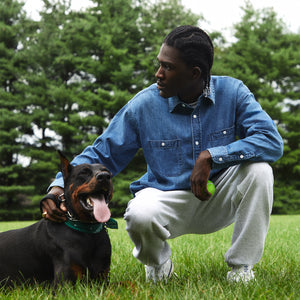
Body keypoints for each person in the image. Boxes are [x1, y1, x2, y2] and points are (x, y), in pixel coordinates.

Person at [41, 25, 283, 283]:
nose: (158, 74)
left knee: (260, 171)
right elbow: (102, 153)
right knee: (139, 214)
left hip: (217, 195)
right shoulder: (143, 105)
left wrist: (211, 156)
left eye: (168, 67)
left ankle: (242, 269)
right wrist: (57, 188)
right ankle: (159, 267)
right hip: (165, 201)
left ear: (194, 73)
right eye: (159, 64)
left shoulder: (233, 93)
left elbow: (271, 141)